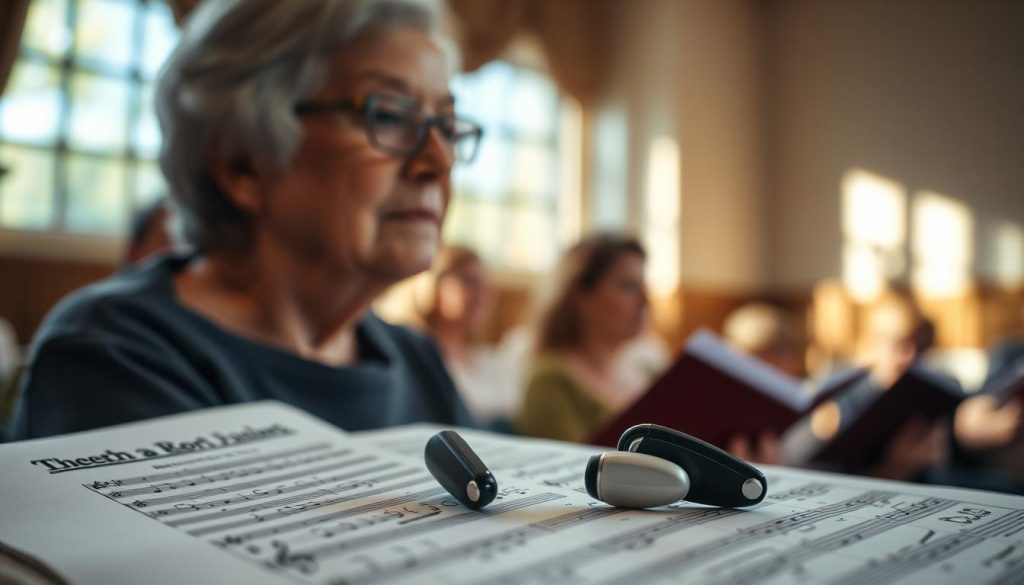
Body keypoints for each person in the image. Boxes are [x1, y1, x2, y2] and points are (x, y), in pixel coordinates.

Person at [10, 0, 483, 440]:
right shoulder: (121, 352)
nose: (438, 162)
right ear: (243, 164)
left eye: (445, 125)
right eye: (391, 115)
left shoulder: (419, 362)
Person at [516, 233, 651, 442]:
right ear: (582, 298)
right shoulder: (550, 383)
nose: (645, 300)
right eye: (628, 286)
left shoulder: (651, 372)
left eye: (643, 284)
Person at [414, 245, 521, 428]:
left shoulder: (492, 361)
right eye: (470, 282)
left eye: (487, 286)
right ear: (435, 285)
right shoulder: (417, 359)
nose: (482, 295)